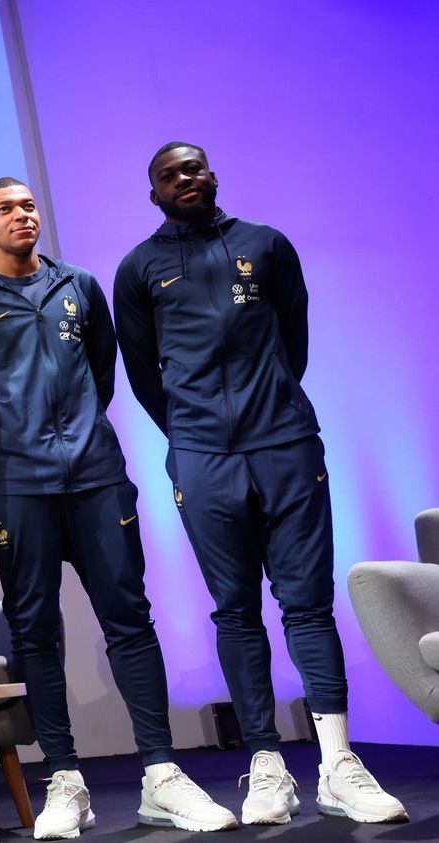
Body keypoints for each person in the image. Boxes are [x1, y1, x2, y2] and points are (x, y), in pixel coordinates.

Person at [114, 142, 407, 826]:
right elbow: (142, 375)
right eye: (170, 174)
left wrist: (267, 408)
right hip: (201, 457)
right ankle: (267, 765)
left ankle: (337, 763)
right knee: (235, 610)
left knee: (307, 603)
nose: (186, 178)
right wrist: (194, 431)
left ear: (213, 176)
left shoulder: (267, 244)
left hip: (285, 444)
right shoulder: (138, 269)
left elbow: (293, 344)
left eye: (196, 167)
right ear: (153, 192)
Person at [0, 178, 234, 840]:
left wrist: (73, 437)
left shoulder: (79, 285)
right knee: (35, 632)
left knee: (129, 617)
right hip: (17, 486)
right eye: (6, 209)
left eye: (28, 205)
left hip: (97, 477)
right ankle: (65, 781)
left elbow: (102, 373)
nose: (22, 215)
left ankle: (161, 773)